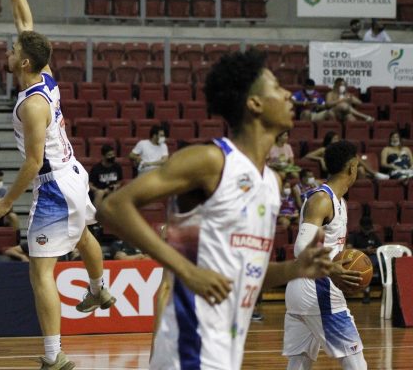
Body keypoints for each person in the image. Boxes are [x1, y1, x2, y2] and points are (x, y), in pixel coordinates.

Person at [97, 49, 333, 370]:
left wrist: (294, 269)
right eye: (277, 87)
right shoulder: (210, 160)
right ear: (255, 103)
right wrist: (188, 271)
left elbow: (244, 276)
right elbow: (113, 206)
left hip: (226, 354)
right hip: (188, 353)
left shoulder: (271, 182)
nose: (289, 95)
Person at [0, 0, 114, 370]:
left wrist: (6, 201)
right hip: (74, 173)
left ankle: (54, 355)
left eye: (13, 49)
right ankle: (99, 288)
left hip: (54, 183)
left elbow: (33, 162)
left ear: (23, 62)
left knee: (41, 272)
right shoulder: (45, 74)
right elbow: (25, 20)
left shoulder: (32, 106)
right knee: (83, 234)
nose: (9, 49)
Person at [283, 140, 368, 369]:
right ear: (351, 167)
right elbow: (302, 247)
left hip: (301, 290)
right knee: (356, 363)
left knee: (299, 362)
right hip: (317, 289)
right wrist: (333, 269)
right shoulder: (322, 199)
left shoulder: (339, 201)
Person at [305, 131, 386, 181]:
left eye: (338, 139)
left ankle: (363, 187)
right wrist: (320, 159)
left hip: (344, 168)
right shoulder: (324, 149)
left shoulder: (339, 150)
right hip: (334, 171)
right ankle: (374, 174)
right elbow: (308, 156)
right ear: (329, 140)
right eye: (335, 139)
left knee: (360, 168)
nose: (337, 141)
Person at [348, 216, 383, 304]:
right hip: (359, 257)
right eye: (366, 228)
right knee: (366, 266)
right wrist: (365, 250)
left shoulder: (373, 235)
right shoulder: (354, 236)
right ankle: (366, 292)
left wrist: (375, 250)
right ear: (361, 227)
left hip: (373, 257)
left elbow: (381, 248)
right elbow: (349, 249)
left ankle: (384, 289)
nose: (368, 230)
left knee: (383, 263)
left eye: (369, 228)